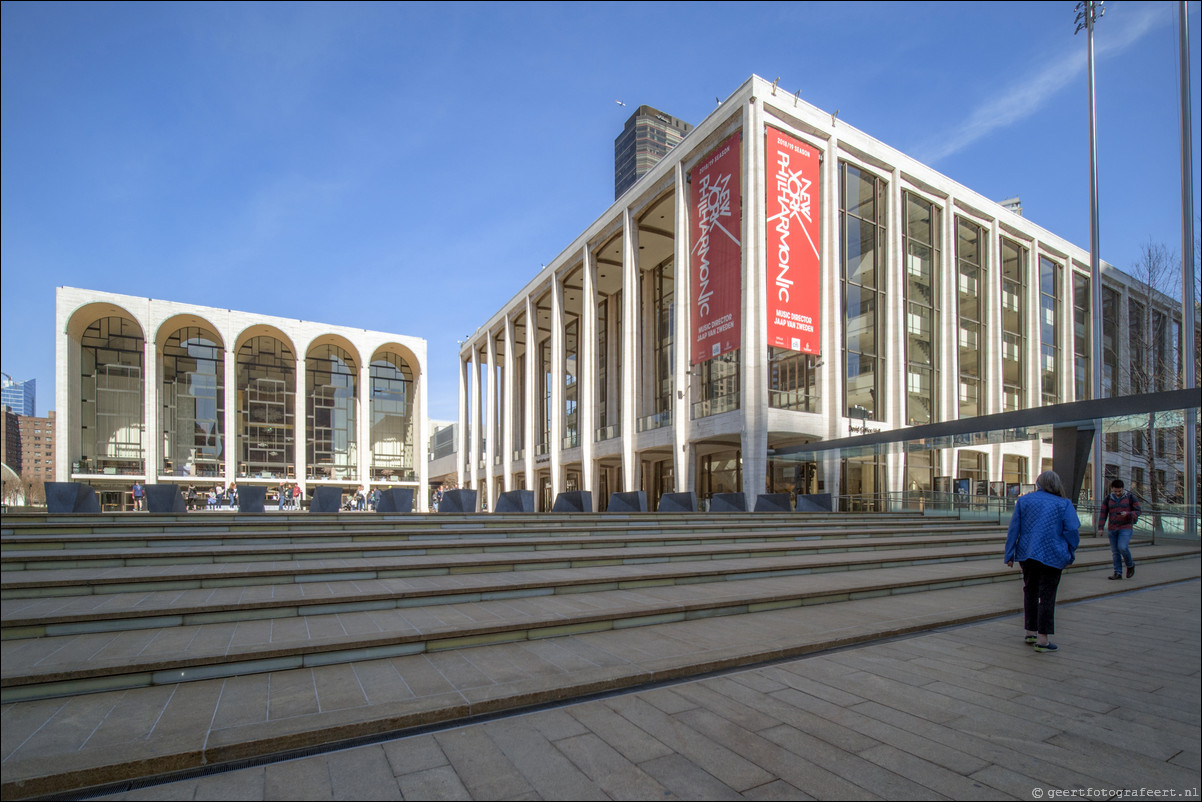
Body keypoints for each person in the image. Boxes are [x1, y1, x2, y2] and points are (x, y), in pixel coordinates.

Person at [1004, 470, 1080, 653]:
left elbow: (1014, 528)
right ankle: (1043, 639)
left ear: (1038, 483)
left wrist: (1009, 554)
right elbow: (1072, 530)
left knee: (1030, 590)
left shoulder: (1024, 501)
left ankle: (1030, 630)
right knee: (1047, 595)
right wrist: (1071, 551)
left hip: (1027, 553)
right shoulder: (1064, 504)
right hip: (1053, 553)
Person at [1097, 479, 1140, 580]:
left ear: (1123, 489)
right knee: (1115, 552)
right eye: (1115, 491)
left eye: (1119, 491)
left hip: (1125, 527)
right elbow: (1103, 513)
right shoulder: (1108, 499)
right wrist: (1100, 528)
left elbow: (1138, 511)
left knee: (1122, 547)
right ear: (1112, 489)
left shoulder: (1130, 497)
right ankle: (1117, 572)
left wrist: (1128, 514)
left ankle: (1130, 565)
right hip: (1112, 528)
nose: (1117, 493)